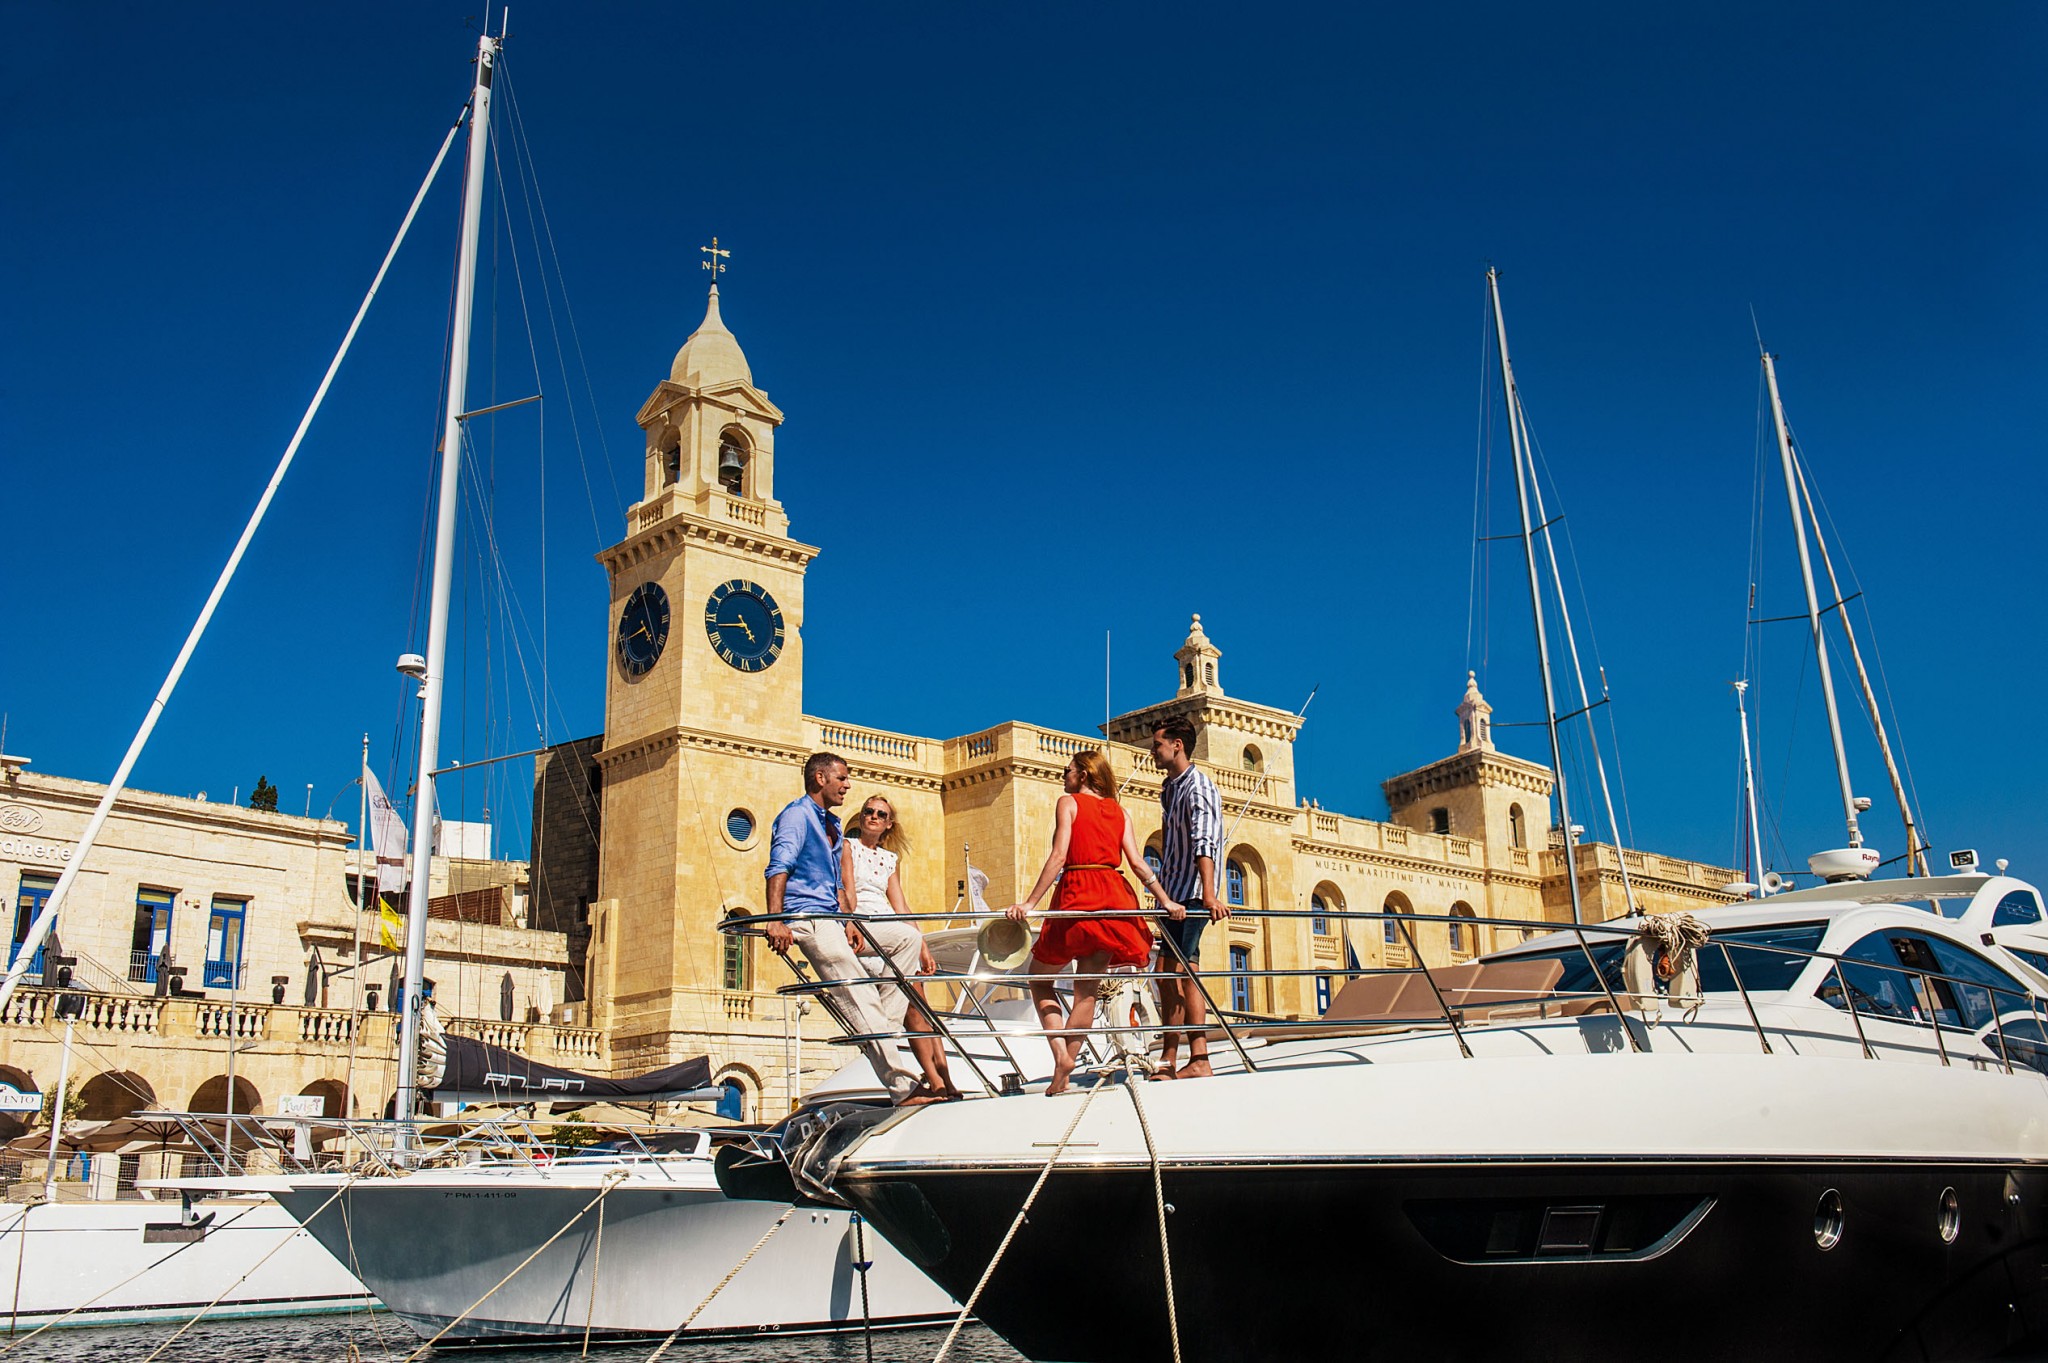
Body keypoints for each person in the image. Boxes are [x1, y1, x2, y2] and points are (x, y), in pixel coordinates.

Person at [1006, 749, 1181, 1095]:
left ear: (1083, 775)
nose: (1064, 776)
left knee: (1038, 979)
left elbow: (1059, 856)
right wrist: (1165, 901)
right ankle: (1065, 1066)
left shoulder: (1068, 803)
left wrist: (1029, 903)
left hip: (1077, 893)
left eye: (1067, 770)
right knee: (1086, 993)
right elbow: (1139, 864)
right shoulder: (1120, 812)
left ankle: (1061, 1056)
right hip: (1114, 898)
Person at [765, 753, 923, 1103]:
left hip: (834, 919)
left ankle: (881, 1033)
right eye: (842, 778)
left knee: (908, 939)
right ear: (821, 778)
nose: (848, 785)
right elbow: (779, 867)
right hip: (808, 917)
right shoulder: (796, 816)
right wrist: (775, 920)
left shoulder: (833, 824)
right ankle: (904, 1088)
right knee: (860, 995)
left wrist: (848, 920)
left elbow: (838, 885)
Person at [843, 794, 960, 1103]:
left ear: (888, 824)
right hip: (867, 928)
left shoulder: (890, 859)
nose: (873, 816)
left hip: (894, 930)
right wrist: (849, 921)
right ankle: (935, 1079)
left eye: (880, 814)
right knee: (911, 1007)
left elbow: (901, 905)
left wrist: (922, 945)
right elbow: (847, 892)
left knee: (921, 1006)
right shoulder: (847, 847)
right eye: (869, 811)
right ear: (861, 816)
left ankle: (944, 1078)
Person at [1150, 717, 1226, 1079]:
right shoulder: (1170, 788)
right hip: (1173, 893)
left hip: (1193, 894)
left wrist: (1209, 895)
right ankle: (1184, 1056)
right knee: (1172, 972)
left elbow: (1204, 842)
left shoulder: (1198, 787)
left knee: (1179, 971)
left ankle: (1191, 1057)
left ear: (1176, 745)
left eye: (1157, 745)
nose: (1153, 752)